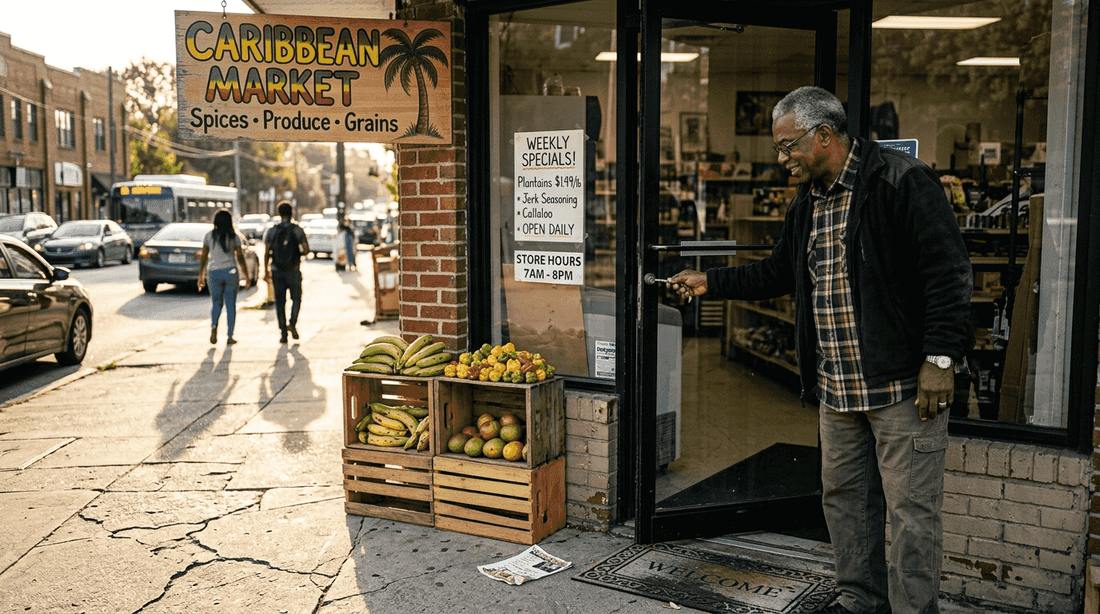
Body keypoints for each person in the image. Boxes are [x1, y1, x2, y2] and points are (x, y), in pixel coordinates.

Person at [670, 86, 973, 614]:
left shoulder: (901, 182)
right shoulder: (806, 204)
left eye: (788, 147)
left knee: (911, 517)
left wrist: (940, 358)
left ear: (824, 136)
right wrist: (709, 283)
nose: (782, 159)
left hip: (901, 386)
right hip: (838, 389)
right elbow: (775, 272)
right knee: (847, 504)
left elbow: (947, 275)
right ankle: (859, 600)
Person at [197, 209, 252, 345]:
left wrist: (201, 275)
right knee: (231, 305)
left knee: (216, 304)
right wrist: (247, 276)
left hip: (213, 272)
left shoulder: (209, 236)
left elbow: (204, 256)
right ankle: (229, 336)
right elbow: (240, 257)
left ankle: (214, 327)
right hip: (230, 272)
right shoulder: (235, 237)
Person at [263, 201, 309, 344]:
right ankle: (292, 323)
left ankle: (283, 333)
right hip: (293, 270)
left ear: (279, 213)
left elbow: (266, 253)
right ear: (292, 213)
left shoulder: (272, 230)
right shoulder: (298, 230)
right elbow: (306, 250)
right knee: (296, 299)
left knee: (280, 303)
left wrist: (266, 271)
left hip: (277, 271)